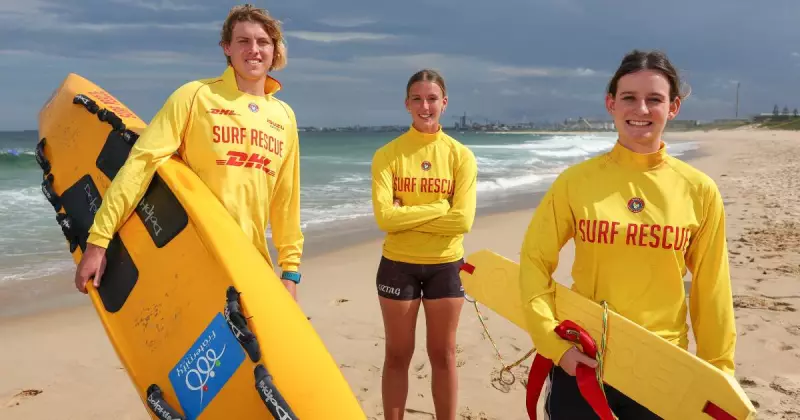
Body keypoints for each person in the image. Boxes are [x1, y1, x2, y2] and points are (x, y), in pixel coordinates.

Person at [518, 49, 736, 419]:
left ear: (673, 107)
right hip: (584, 359)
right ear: (611, 104)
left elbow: (711, 287)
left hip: (663, 367)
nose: (641, 109)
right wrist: (554, 344)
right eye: (629, 98)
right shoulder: (577, 182)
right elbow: (534, 261)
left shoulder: (698, 190)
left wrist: (719, 372)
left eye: (655, 99)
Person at [74, 4, 304, 299]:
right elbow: (141, 164)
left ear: (274, 49)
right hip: (194, 254)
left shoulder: (284, 117)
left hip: (251, 262)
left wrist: (290, 272)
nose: (254, 50)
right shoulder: (196, 96)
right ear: (227, 48)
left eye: (263, 42)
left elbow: (286, 199)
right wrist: (99, 241)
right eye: (243, 41)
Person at [370, 69, 478, 420]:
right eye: (417, 98)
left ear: (444, 104)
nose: (425, 105)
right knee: (398, 354)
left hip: (446, 265)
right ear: (407, 104)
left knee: (443, 354)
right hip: (397, 265)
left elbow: (463, 221)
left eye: (432, 98)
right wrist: (438, 206)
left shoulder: (460, 156)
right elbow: (385, 219)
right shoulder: (388, 156)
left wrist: (409, 213)